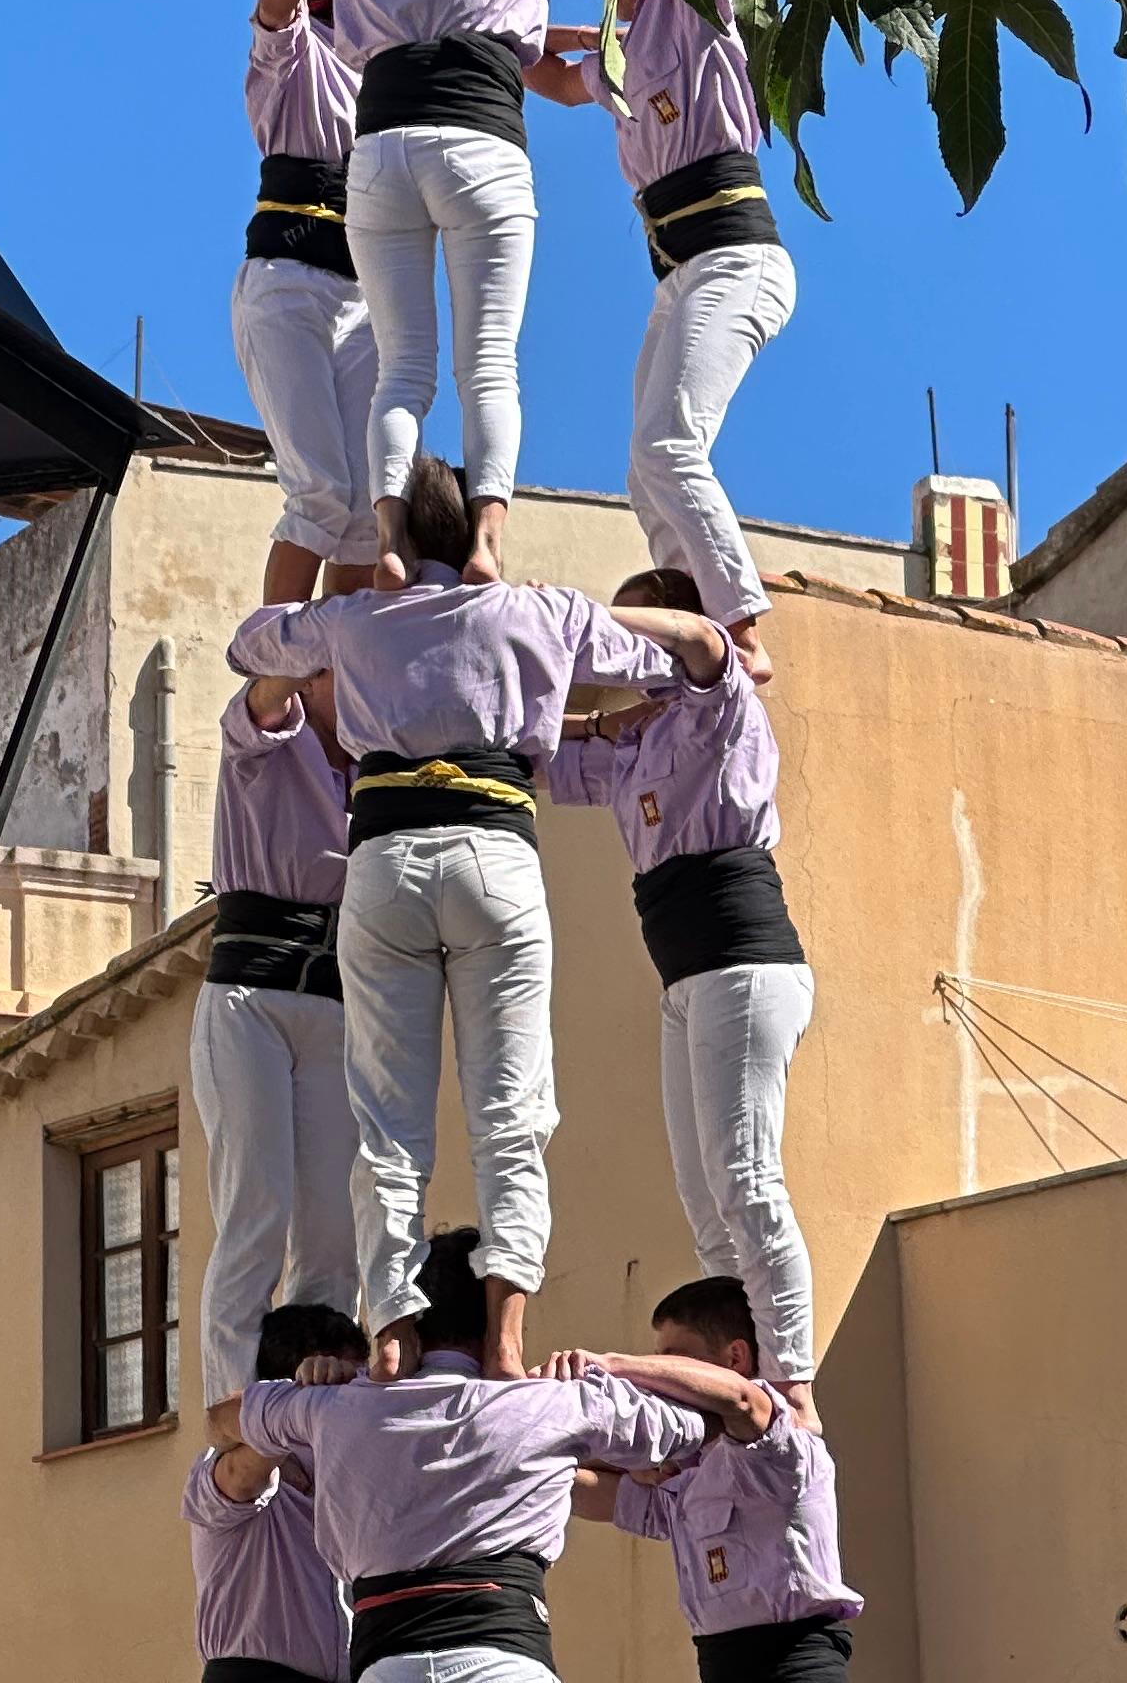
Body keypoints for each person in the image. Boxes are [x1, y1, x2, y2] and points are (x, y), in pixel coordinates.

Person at [227, 459, 737, 1378]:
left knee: (387, 1118)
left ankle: (391, 1331)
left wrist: (372, 564)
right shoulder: (538, 612)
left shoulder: (356, 619)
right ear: (480, 532)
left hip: (383, 858)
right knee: (512, 1111)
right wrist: (583, 625)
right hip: (494, 851)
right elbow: (695, 655)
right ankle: (504, 1337)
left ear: (401, 536)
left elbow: (252, 645)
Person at [248, 0, 634, 586]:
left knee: (402, 368)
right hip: (481, 138)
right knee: (488, 362)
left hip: (382, 148)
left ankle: (388, 540)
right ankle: (486, 544)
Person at [211, 1228, 773, 1683]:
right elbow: (718, 1415)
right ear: (496, 1321)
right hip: (503, 1661)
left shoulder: (333, 1406)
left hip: (386, 1667)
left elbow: (220, 1420)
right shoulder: (555, 1403)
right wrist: (614, 1367)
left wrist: (318, 1387)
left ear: (407, 1320)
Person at [547, 562, 821, 1421]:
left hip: (743, 962)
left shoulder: (721, 703)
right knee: (703, 1195)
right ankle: (734, 1361)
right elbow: (537, 753)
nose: (626, 655)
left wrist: (605, 618)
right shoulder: (632, 744)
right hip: (688, 979)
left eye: (640, 636)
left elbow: (706, 643)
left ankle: (794, 1381)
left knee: (744, 1174)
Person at [530, 0, 795, 678]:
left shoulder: (701, 7)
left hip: (735, 259)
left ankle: (741, 629)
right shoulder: (618, 59)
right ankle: (689, 606)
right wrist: (575, 31)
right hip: (681, 275)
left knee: (670, 445)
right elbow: (543, 73)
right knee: (645, 469)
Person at [192, 649, 361, 1408]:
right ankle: (233, 1403)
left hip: (339, 1006)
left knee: (337, 1224)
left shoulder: (382, 771)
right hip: (251, 999)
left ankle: (328, 1391)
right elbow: (266, 694)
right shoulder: (267, 740)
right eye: (345, 671)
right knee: (255, 1207)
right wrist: (316, 634)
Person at [571, 1275, 864, 1683]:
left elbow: (742, 1401)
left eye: (676, 1359)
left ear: (734, 1358)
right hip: (720, 1663)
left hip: (794, 1664)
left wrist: (615, 1365)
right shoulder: (688, 1477)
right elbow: (578, 1489)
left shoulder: (779, 1448)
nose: (661, 1376)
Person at [234, 0, 381, 605]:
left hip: (365, 297)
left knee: (370, 515)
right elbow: (276, 7)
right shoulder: (294, 56)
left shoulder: (387, 76)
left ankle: (334, 689)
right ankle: (275, 668)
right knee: (319, 492)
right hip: (289, 283)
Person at [188, 1300, 370, 1683]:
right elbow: (234, 1468)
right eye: (347, 1391)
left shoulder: (354, 1483)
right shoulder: (243, 1472)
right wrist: (298, 1406)